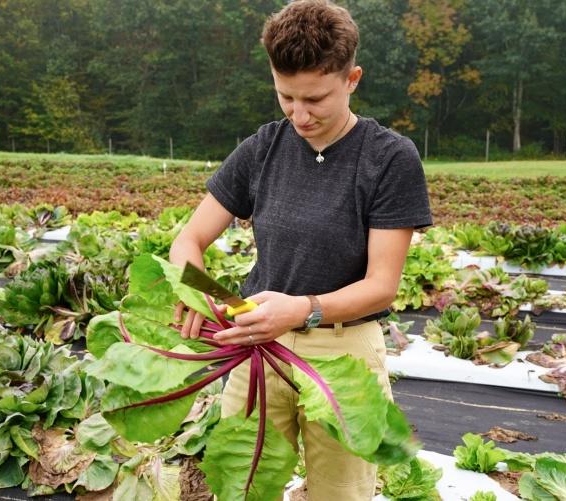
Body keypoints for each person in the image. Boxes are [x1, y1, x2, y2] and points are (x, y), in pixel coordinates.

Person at [169, 1, 432, 499]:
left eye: (315, 98)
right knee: (243, 484)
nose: (299, 114)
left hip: (342, 352)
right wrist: (195, 288)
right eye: (285, 96)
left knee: (341, 491)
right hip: (255, 343)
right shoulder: (262, 147)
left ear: (352, 78)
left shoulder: (389, 158)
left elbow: (381, 287)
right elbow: (189, 239)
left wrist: (301, 311)